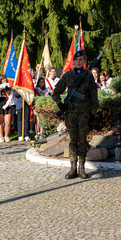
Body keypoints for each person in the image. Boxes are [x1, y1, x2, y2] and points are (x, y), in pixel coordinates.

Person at [52, 49, 99, 179]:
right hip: (70, 113)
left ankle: (81, 168)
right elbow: (56, 92)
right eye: (76, 59)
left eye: (81, 60)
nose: (78, 62)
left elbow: (93, 96)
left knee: (83, 141)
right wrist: (60, 104)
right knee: (73, 140)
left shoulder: (88, 76)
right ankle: (72, 168)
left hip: (84, 113)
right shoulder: (67, 76)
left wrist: (93, 113)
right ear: (74, 61)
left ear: (84, 61)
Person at [0, 76, 14, 142]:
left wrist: (7, 105)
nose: (4, 82)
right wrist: (2, 86)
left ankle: (6, 136)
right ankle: (1, 136)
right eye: (2, 81)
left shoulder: (9, 88)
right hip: (0, 103)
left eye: (5, 80)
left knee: (8, 122)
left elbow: (11, 96)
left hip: (7, 103)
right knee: (0, 122)